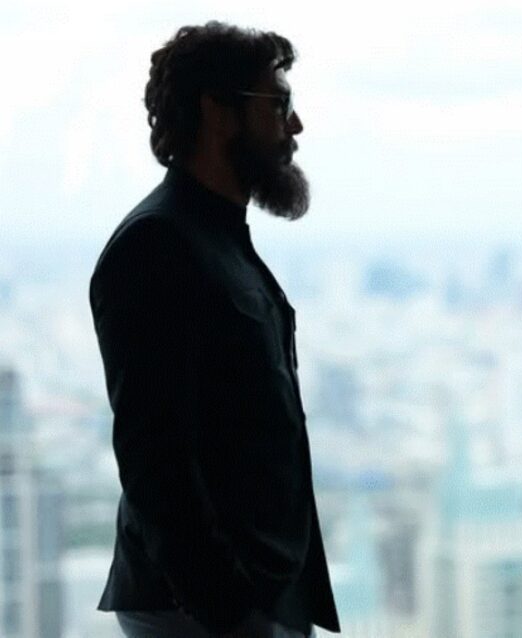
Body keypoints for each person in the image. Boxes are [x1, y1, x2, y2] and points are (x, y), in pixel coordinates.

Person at [89, 22, 339, 638]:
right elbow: (154, 459)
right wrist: (227, 610)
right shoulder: (155, 246)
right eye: (278, 104)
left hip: (250, 599)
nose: (295, 125)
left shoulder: (213, 239)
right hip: (202, 610)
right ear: (217, 113)